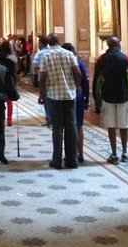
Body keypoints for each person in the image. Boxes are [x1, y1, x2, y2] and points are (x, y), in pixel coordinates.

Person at [93, 36, 128, 164]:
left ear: (108, 45)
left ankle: (114, 154)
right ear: (118, 45)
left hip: (107, 97)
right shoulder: (125, 58)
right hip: (123, 96)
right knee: (124, 126)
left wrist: (97, 98)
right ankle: (124, 152)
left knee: (111, 126)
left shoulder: (102, 59)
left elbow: (97, 80)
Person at [39, 33, 82, 169]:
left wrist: (41, 93)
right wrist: (77, 86)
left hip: (54, 95)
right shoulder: (69, 54)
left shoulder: (45, 55)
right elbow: (77, 72)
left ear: (48, 43)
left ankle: (57, 160)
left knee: (57, 128)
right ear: (58, 41)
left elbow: (42, 76)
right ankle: (72, 160)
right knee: (71, 126)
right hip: (70, 95)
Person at [62, 43, 89, 163]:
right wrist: (87, 98)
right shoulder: (79, 63)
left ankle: (72, 154)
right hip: (78, 96)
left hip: (66, 97)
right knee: (78, 126)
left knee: (68, 126)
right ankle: (80, 154)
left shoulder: (63, 64)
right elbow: (85, 82)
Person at [31, 34, 52, 127]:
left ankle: (49, 119)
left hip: (43, 78)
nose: (38, 45)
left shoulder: (39, 53)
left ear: (41, 43)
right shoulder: (51, 51)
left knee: (46, 99)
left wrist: (41, 69)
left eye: (38, 43)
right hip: (53, 78)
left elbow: (35, 67)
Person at [0, 39, 18, 127]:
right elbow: (16, 70)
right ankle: (9, 120)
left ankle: (0, 118)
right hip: (10, 79)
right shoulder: (13, 57)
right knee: (9, 100)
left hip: (0, 79)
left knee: (0, 100)